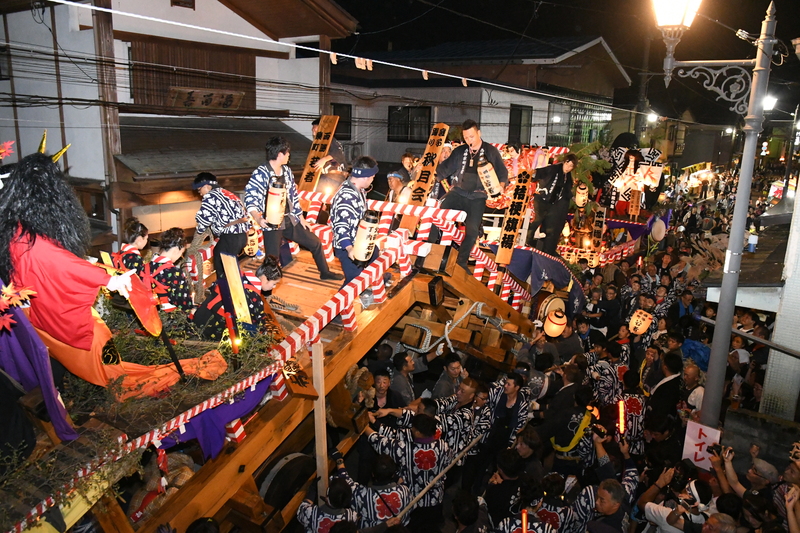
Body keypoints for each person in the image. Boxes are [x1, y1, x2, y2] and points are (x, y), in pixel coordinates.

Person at [0, 153, 225, 399]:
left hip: (37, 313)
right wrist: (110, 280)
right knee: (108, 362)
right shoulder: (34, 242)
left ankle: (67, 392)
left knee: (62, 363)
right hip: (76, 320)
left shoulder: (16, 234)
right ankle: (111, 387)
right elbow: (63, 264)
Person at [245, 136, 342, 281]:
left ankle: (325, 272)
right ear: (280, 155)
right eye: (287, 153)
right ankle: (265, 290)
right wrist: (258, 218)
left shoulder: (287, 171)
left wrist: (301, 218)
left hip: (290, 219)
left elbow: (293, 196)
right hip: (271, 223)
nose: (289, 155)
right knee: (271, 261)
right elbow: (250, 198)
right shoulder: (261, 173)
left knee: (315, 243)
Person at [432, 119, 508, 268]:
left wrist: (502, 185)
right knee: (437, 215)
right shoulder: (460, 150)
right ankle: (430, 248)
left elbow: (502, 171)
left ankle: (461, 262)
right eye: (466, 138)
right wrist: (432, 175)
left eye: (471, 137)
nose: (469, 140)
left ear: (479, 133)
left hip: (477, 197)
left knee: (472, 231)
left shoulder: (491, 151)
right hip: (458, 192)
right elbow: (445, 169)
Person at [365, 413, 452, 533]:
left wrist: (365, 427)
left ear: (417, 433)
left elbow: (380, 442)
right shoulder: (444, 446)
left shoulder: (406, 449)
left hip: (414, 503)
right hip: (435, 500)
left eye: (413, 428)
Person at [192, 255, 282, 340]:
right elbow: (256, 322)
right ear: (264, 278)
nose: (273, 287)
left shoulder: (240, 276)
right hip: (212, 325)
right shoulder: (253, 296)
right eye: (274, 284)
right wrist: (263, 334)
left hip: (203, 314)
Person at [330, 156, 381, 285]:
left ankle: (378, 280)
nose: (373, 179)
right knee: (354, 283)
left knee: (374, 256)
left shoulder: (358, 190)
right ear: (365, 176)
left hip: (361, 240)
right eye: (372, 177)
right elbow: (341, 226)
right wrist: (349, 249)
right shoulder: (346, 196)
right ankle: (340, 305)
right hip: (348, 245)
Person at [193, 172, 250, 279]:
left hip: (231, 236)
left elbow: (204, 218)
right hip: (242, 235)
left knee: (223, 268)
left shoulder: (210, 196)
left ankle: (226, 292)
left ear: (207, 186)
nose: (199, 193)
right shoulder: (227, 193)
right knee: (228, 265)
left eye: (199, 189)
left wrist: (199, 232)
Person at [335, 453, 411, 528]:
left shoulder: (363, 495)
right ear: (393, 475)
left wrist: (339, 461)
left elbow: (346, 482)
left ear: (372, 474)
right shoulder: (404, 491)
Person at [527, 153, 579, 255]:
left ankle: (546, 248)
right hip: (541, 198)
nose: (568, 168)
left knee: (550, 226)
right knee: (537, 220)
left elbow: (567, 190)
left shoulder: (567, 177)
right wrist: (533, 173)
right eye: (567, 164)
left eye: (571, 166)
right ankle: (527, 241)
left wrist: (573, 197)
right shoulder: (554, 169)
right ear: (564, 162)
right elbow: (542, 172)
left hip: (552, 203)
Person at [145, 227, 194, 313]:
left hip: (150, 314)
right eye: (181, 253)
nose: (180, 257)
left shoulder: (146, 266)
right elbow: (184, 304)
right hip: (170, 318)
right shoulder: (175, 273)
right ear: (176, 250)